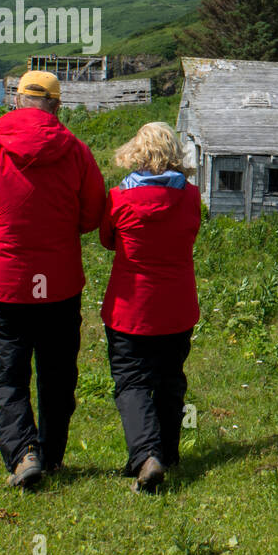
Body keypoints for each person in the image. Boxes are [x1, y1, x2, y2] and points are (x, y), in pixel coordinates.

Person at [0, 71, 105, 488]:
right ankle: (52, 456)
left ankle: (23, 454)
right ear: (57, 105)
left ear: (17, 101)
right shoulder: (75, 151)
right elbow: (93, 215)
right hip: (57, 282)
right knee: (57, 373)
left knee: (9, 374)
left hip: (7, 282)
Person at [99, 122, 201, 493]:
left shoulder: (118, 199)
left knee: (132, 380)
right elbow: (191, 233)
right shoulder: (190, 198)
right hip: (176, 306)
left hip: (131, 307)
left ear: (136, 153)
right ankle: (168, 453)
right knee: (170, 379)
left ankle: (146, 454)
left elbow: (108, 240)